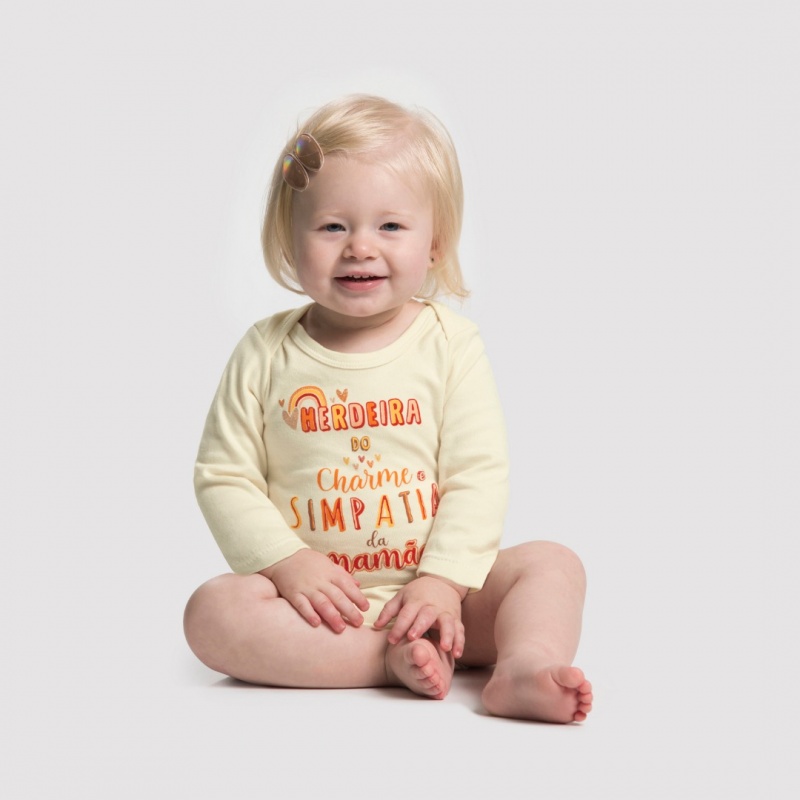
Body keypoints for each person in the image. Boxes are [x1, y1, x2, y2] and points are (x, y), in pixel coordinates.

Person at [184, 94, 592, 723]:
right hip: (323, 610)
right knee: (212, 612)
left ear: (435, 244)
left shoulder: (450, 345)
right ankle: (383, 656)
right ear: (290, 240)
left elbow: (476, 475)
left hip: (450, 599)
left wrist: (443, 582)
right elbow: (224, 475)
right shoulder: (265, 352)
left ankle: (523, 664)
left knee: (552, 564)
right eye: (332, 227)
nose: (359, 247)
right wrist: (288, 563)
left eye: (391, 227)